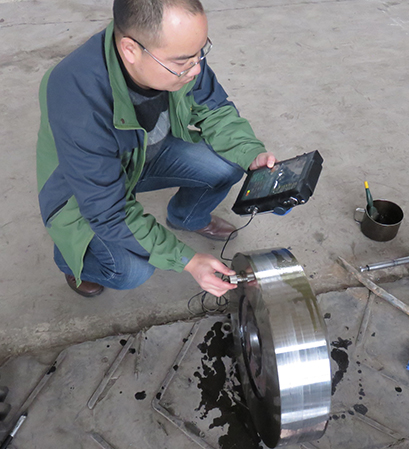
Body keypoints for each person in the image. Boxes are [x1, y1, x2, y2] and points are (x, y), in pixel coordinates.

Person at [36, 0, 275, 299]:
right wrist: (188, 260)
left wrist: (251, 153)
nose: (196, 68)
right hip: (84, 189)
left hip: (146, 154)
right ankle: (72, 260)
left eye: (201, 52)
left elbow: (213, 108)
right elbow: (107, 210)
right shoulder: (77, 97)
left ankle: (187, 217)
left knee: (229, 162)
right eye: (183, 61)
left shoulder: (178, 52)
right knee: (131, 271)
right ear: (130, 50)